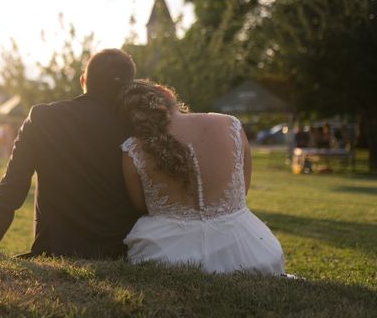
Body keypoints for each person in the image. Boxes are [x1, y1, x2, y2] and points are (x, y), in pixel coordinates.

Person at [0, 49, 140, 258]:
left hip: (56, 251)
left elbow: (10, 193)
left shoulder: (43, 119)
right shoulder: (141, 125)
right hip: (123, 254)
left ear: (83, 80)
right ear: (130, 87)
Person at [117, 79, 284, 274]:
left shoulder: (133, 148)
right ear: (167, 93)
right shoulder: (230, 124)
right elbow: (241, 189)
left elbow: (140, 205)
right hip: (250, 253)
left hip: (163, 254)